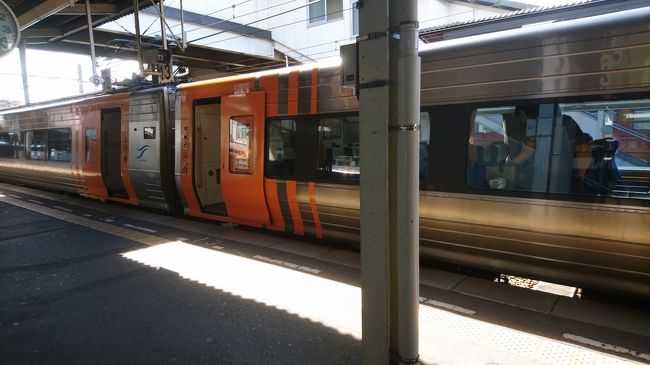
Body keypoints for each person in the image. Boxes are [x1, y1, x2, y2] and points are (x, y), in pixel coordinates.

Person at [503, 106, 537, 189]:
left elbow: (528, 152)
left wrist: (509, 164)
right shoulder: (542, 123)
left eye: (518, 117)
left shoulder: (533, 126)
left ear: (522, 113)